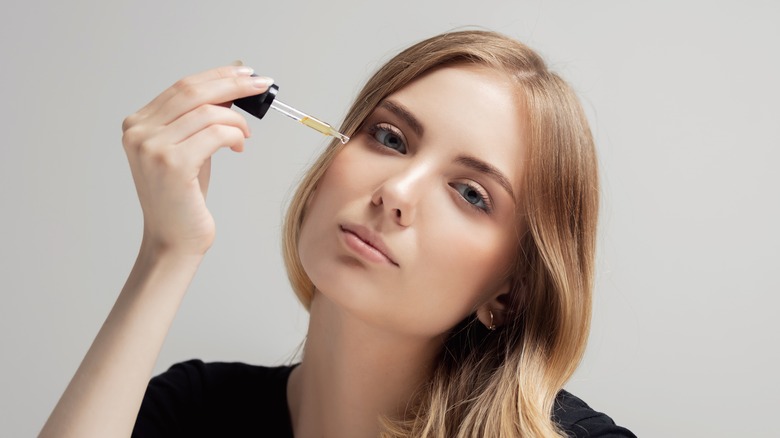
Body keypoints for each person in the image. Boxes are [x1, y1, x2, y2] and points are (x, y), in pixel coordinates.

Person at [41, 30, 635, 437]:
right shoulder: (191, 412)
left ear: (511, 294)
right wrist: (167, 252)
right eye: (390, 138)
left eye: (471, 194)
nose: (396, 192)